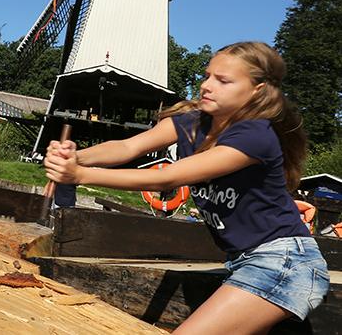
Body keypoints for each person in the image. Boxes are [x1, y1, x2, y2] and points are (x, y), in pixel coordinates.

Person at [44, 42, 328, 332]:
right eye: (207, 76)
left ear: (258, 89)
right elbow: (129, 146)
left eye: (223, 80)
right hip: (243, 260)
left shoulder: (255, 135)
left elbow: (168, 177)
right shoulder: (193, 122)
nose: (207, 86)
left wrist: (80, 175)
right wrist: (76, 156)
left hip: (282, 262)